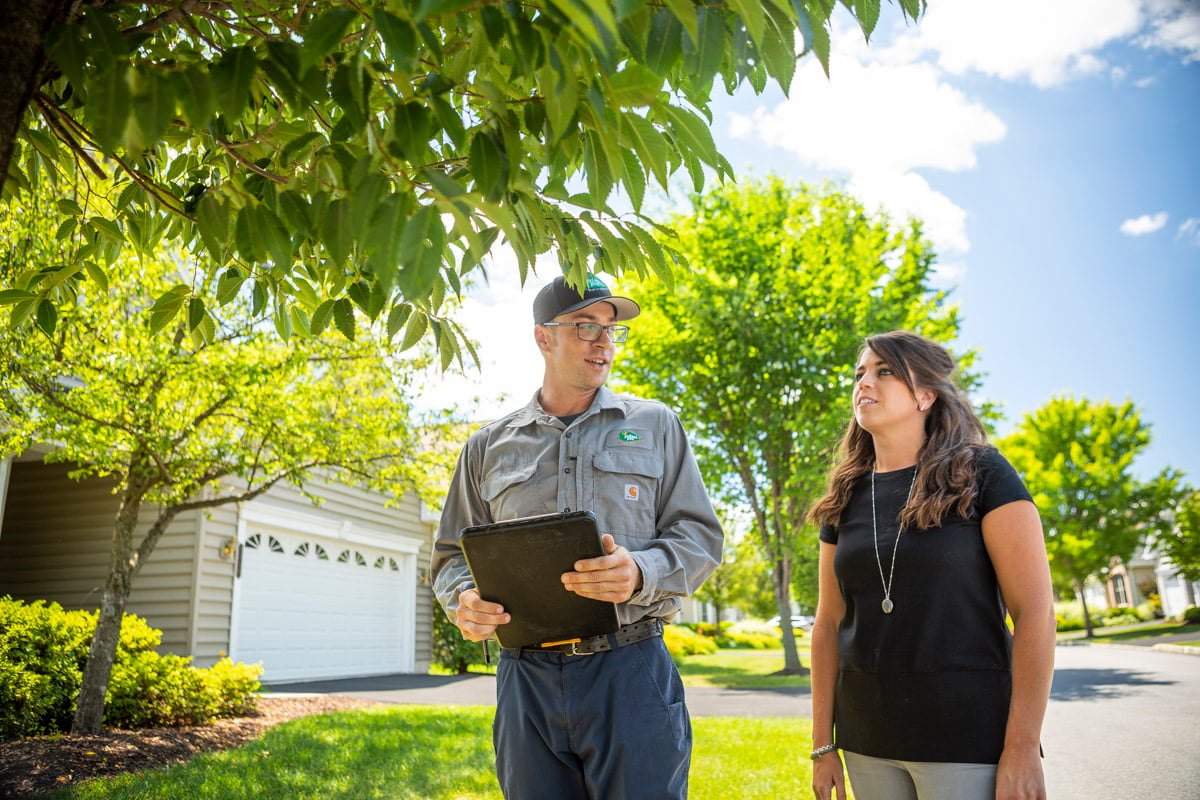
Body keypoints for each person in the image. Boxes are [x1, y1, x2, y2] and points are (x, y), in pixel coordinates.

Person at [430, 273, 723, 800]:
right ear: (544, 337)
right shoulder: (487, 446)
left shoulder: (655, 424)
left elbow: (699, 537)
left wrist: (641, 572)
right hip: (526, 681)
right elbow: (452, 555)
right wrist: (463, 600)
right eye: (585, 327)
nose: (604, 342)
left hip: (630, 672)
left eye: (611, 330)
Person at [806, 331, 1056, 800]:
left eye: (884, 371)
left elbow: (1035, 613)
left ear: (926, 394)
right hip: (867, 742)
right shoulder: (844, 497)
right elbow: (828, 625)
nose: (864, 382)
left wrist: (1021, 749)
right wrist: (823, 746)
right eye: (860, 373)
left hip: (967, 739)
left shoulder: (984, 474)